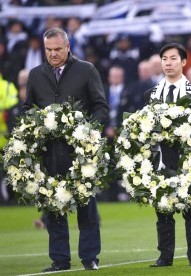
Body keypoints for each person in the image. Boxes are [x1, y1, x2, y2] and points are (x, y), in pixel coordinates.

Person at [22, 27, 108, 272]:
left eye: (57, 49)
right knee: (53, 205)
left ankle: (90, 257)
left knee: (86, 206)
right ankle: (59, 259)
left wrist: (88, 131)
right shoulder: (36, 74)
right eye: (48, 50)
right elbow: (28, 107)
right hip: (49, 152)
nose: (53, 54)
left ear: (68, 46)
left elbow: (101, 106)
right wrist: (35, 125)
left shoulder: (86, 70)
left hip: (80, 153)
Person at [143, 43, 191, 267]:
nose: (168, 63)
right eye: (164, 59)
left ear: (183, 62)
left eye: (173, 59)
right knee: (163, 210)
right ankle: (165, 256)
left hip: (187, 161)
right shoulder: (150, 94)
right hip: (159, 160)